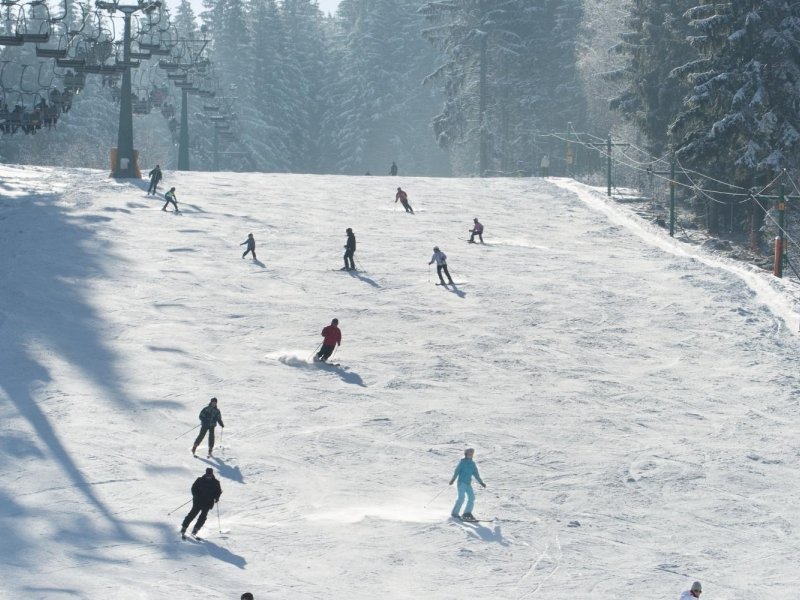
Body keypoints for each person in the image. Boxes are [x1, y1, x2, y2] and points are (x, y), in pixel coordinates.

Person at [180, 467, 222, 538]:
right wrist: (195, 495)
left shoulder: (216, 482)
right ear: (205, 473)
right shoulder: (199, 480)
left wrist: (217, 497)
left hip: (208, 502)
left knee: (203, 517)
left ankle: (196, 529)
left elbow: (218, 491)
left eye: (210, 475)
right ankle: (184, 527)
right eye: (207, 475)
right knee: (192, 514)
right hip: (198, 501)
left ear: (212, 474)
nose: (208, 476)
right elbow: (193, 488)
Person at [449, 448, 486, 521]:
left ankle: (467, 513)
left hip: (468, 484)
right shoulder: (462, 462)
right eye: (469, 454)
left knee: (472, 498)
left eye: (472, 454)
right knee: (461, 498)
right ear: (465, 454)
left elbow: (476, 474)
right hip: (461, 483)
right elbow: (457, 471)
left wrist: (481, 482)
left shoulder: (472, 464)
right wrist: (453, 479)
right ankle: (455, 513)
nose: (470, 455)